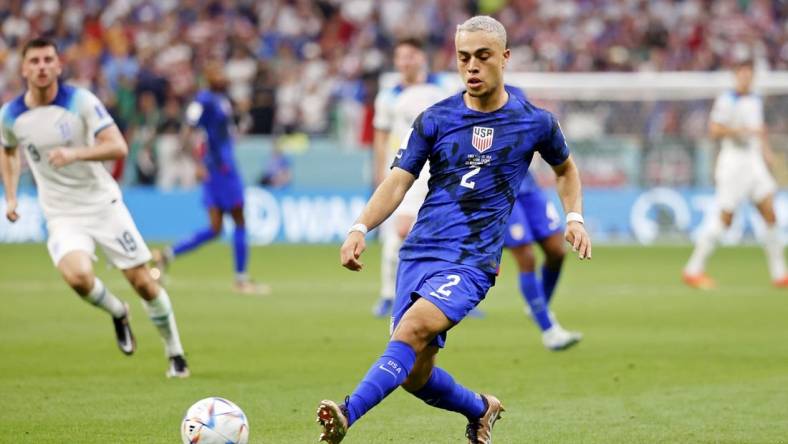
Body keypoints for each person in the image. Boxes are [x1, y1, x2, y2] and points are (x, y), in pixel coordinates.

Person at [316, 16, 591, 443]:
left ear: (505, 57)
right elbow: (398, 181)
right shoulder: (435, 118)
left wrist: (574, 217)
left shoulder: (535, 122)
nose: (472, 67)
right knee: (413, 373)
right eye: (464, 58)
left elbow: (566, 170)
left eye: (483, 57)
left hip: (471, 260)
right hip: (419, 253)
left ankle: (347, 414)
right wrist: (360, 226)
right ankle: (481, 409)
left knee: (411, 331)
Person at [0, 37, 189, 378]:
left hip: (103, 205)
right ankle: (118, 312)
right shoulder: (11, 115)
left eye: (48, 60)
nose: (42, 67)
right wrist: (11, 196)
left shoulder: (81, 102)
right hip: (61, 213)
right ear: (24, 68)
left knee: (144, 282)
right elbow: (9, 150)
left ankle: (175, 352)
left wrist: (74, 153)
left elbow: (118, 147)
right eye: (35, 61)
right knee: (78, 276)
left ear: (58, 66)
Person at [151, 62, 268, 295]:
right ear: (208, 76)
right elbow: (186, 132)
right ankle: (241, 280)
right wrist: (197, 164)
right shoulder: (203, 100)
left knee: (215, 228)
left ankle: (166, 255)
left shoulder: (221, 99)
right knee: (239, 219)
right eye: (216, 71)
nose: (222, 75)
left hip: (223, 166)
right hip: (220, 169)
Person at [683, 58, 787, 289]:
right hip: (733, 162)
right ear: (735, 75)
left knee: (770, 211)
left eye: (749, 73)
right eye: (742, 73)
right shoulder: (727, 100)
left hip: (753, 161)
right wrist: (742, 131)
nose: (746, 77)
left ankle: (780, 274)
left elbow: (760, 130)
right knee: (725, 218)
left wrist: (766, 153)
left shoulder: (756, 99)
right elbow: (714, 129)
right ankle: (693, 269)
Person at [503, 170, 582, 350]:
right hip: (500, 191)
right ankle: (550, 332)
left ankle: (538, 306)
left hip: (528, 186)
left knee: (557, 251)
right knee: (526, 257)